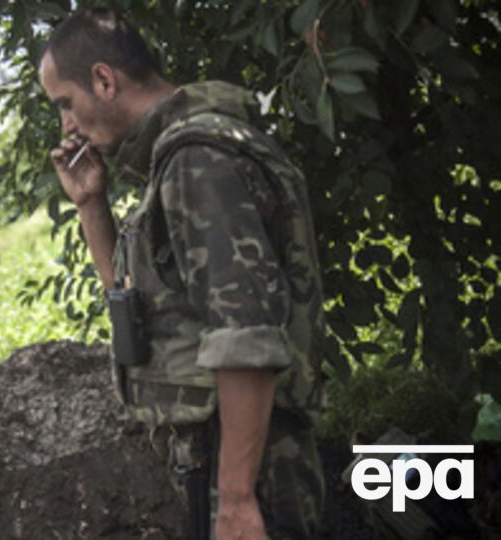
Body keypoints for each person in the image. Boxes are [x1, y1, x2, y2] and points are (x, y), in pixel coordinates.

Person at [39, 9, 326, 540]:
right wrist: (90, 205)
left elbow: (246, 335)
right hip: (221, 457)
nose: (67, 126)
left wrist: (237, 500)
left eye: (65, 104)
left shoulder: (199, 161)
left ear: (104, 80)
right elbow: (134, 311)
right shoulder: (175, 163)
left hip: (249, 462)